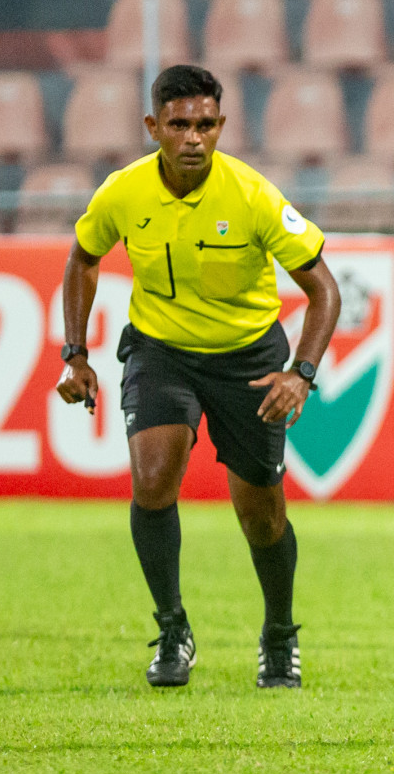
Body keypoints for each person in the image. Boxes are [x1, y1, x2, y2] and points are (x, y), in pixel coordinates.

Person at [55, 64, 341, 689]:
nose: (193, 138)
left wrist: (302, 372)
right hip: (162, 352)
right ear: (153, 126)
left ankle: (278, 634)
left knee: (260, 515)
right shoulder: (122, 192)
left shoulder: (253, 195)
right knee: (154, 477)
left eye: (206, 125)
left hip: (249, 360)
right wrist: (74, 353)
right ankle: (173, 628)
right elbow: (83, 258)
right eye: (180, 125)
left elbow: (324, 291)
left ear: (222, 126)